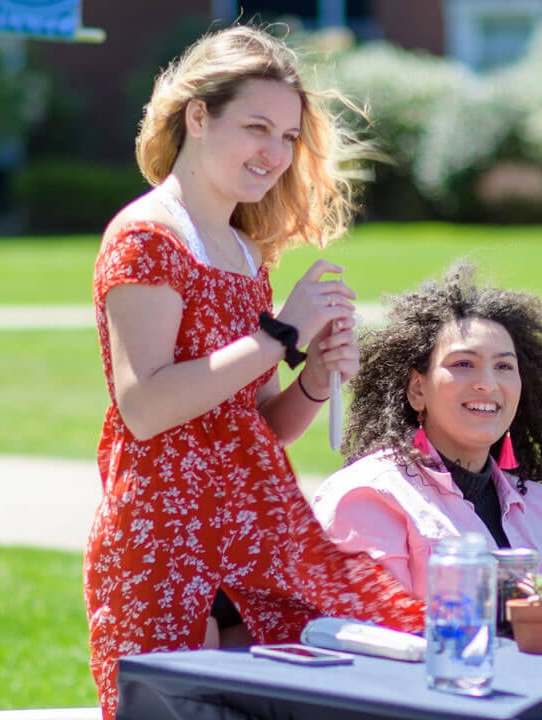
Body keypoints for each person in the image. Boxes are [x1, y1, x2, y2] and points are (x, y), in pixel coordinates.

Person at [84, 25, 423, 719]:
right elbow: (145, 405)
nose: (275, 153)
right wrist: (280, 333)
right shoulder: (146, 236)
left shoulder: (245, 252)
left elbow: (260, 426)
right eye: (258, 127)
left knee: (385, 638)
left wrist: (316, 376)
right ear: (199, 116)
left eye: (288, 137)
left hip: (257, 532)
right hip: (164, 537)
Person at [311, 263, 542, 598]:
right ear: (417, 390)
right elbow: (377, 630)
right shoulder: (367, 496)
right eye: (463, 364)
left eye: (504, 366)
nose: (487, 384)